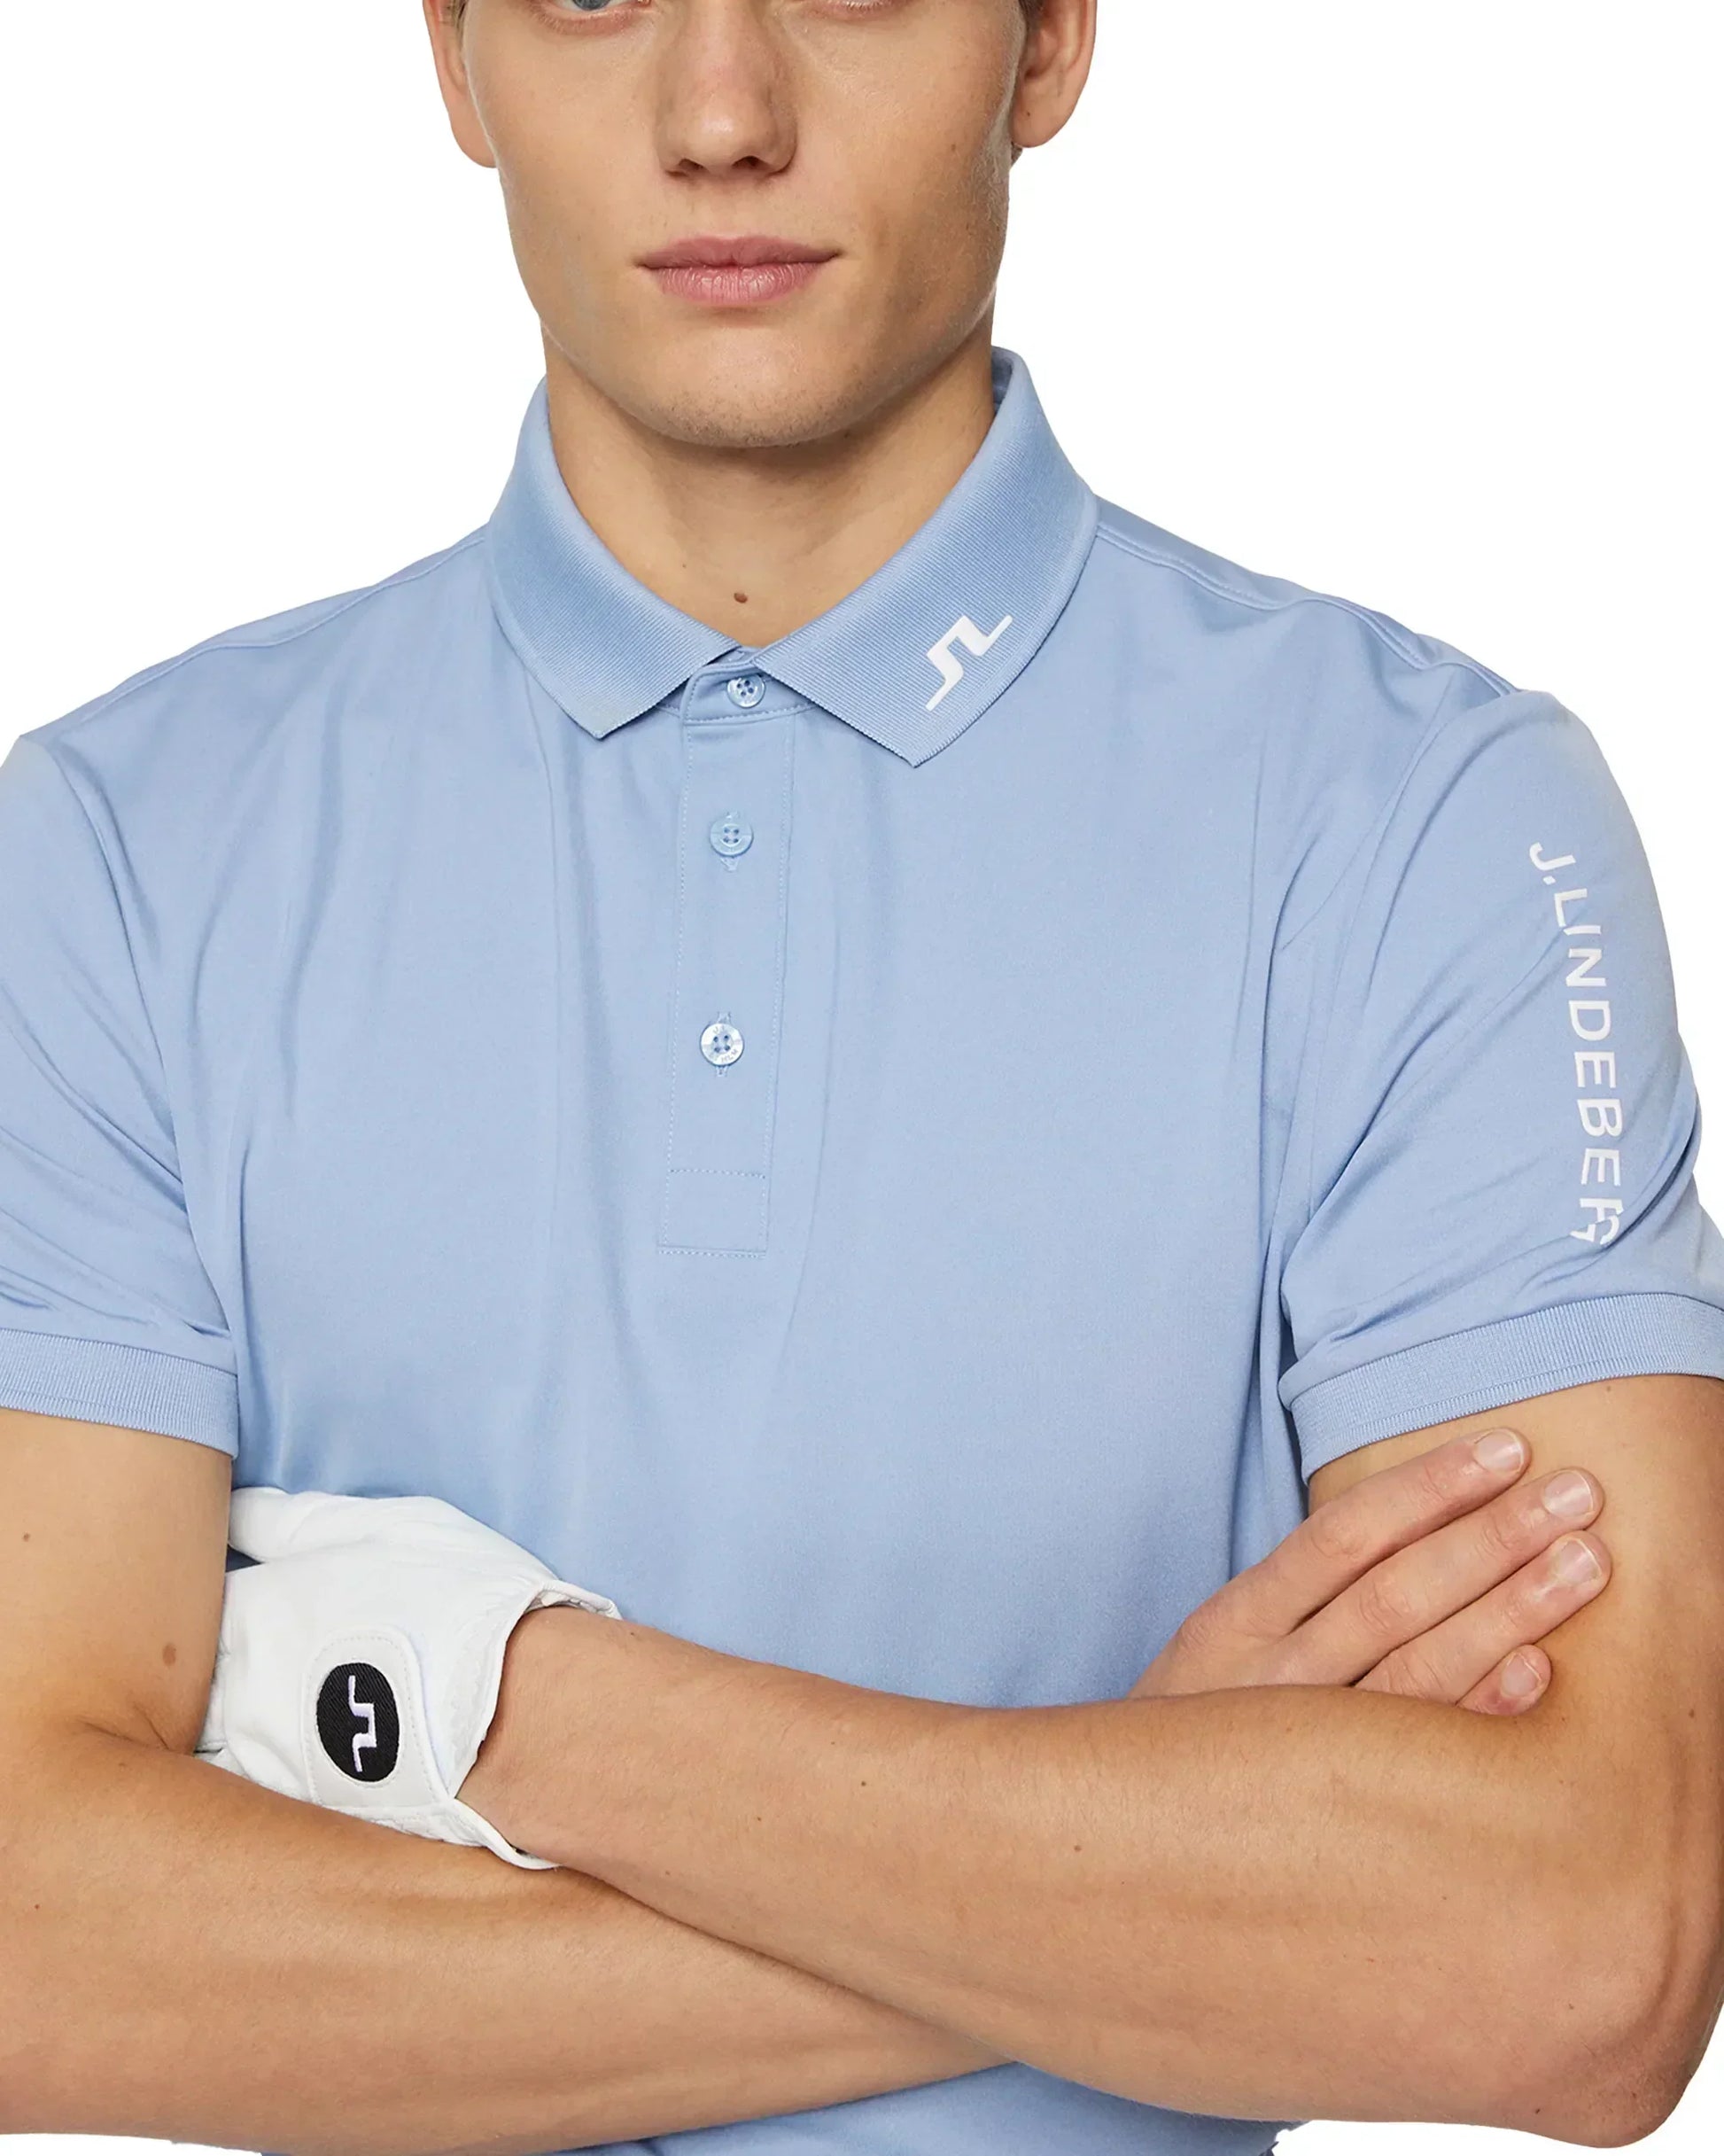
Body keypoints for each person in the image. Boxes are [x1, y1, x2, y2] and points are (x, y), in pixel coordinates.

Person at [2, 2, 1721, 2151]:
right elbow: (33, 1938)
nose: (721, 113)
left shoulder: (1426, 823)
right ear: (454, 63)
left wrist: (496, 1700)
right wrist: (1127, 1869)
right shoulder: (114, 855)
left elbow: (1572, 1956)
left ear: (1047, 41)